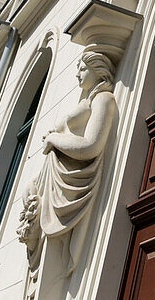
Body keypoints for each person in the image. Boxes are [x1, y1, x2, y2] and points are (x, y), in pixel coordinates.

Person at [19, 51, 117, 294]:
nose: (77, 73)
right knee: (43, 252)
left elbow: (92, 146)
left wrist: (54, 138)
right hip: (55, 182)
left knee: (55, 256)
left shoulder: (103, 99)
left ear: (99, 70)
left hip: (68, 188)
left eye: (82, 68)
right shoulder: (86, 101)